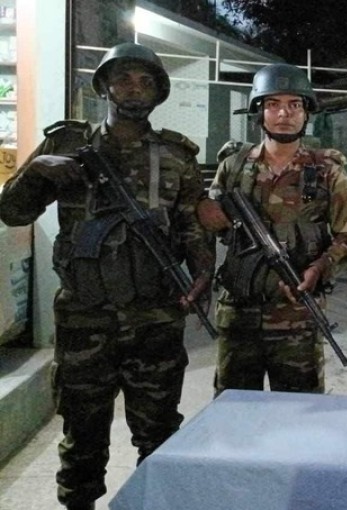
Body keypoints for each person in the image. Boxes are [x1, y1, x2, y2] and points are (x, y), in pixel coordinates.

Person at [0, 42, 214, 510]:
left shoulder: (176, 156)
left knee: (158, 436)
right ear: (105, 87)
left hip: (155, 318)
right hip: (84, 319)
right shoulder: (66, 144)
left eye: (145, 81)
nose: (134, 89)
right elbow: (13, 212)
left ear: (159, 92)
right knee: (82, 437)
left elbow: (192, 228)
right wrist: (38, 170)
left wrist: (203, 274)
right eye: (123, 79)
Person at [196, 63, 347, 395]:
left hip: (297, 318)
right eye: (273, 104)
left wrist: (320, 267)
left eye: (294, 105)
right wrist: (205, 213)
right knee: (235, 417)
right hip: (238, 316)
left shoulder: (327, 171)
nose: (284, 113)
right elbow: (208, 223)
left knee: (298, 419)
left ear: (306, 113)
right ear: (259, 112)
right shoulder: (234, 166)